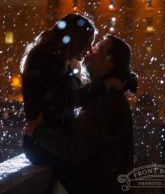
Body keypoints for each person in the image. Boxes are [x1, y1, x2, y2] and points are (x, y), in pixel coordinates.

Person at [25, 35, 137, 194]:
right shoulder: (105, 96)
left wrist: (37, 131)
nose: (90, 49)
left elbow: (76, 150)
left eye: (98, 48)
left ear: (108, 64)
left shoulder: (104, 103)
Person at [21, 14, 119, 165]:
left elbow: (70, 95)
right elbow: (68, 98)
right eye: (87, 44)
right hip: (43, 145)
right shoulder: (45, 60)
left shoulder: (56, 60)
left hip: (47, 141)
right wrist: (103, 86)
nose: (88, 51)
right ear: (76, 40)